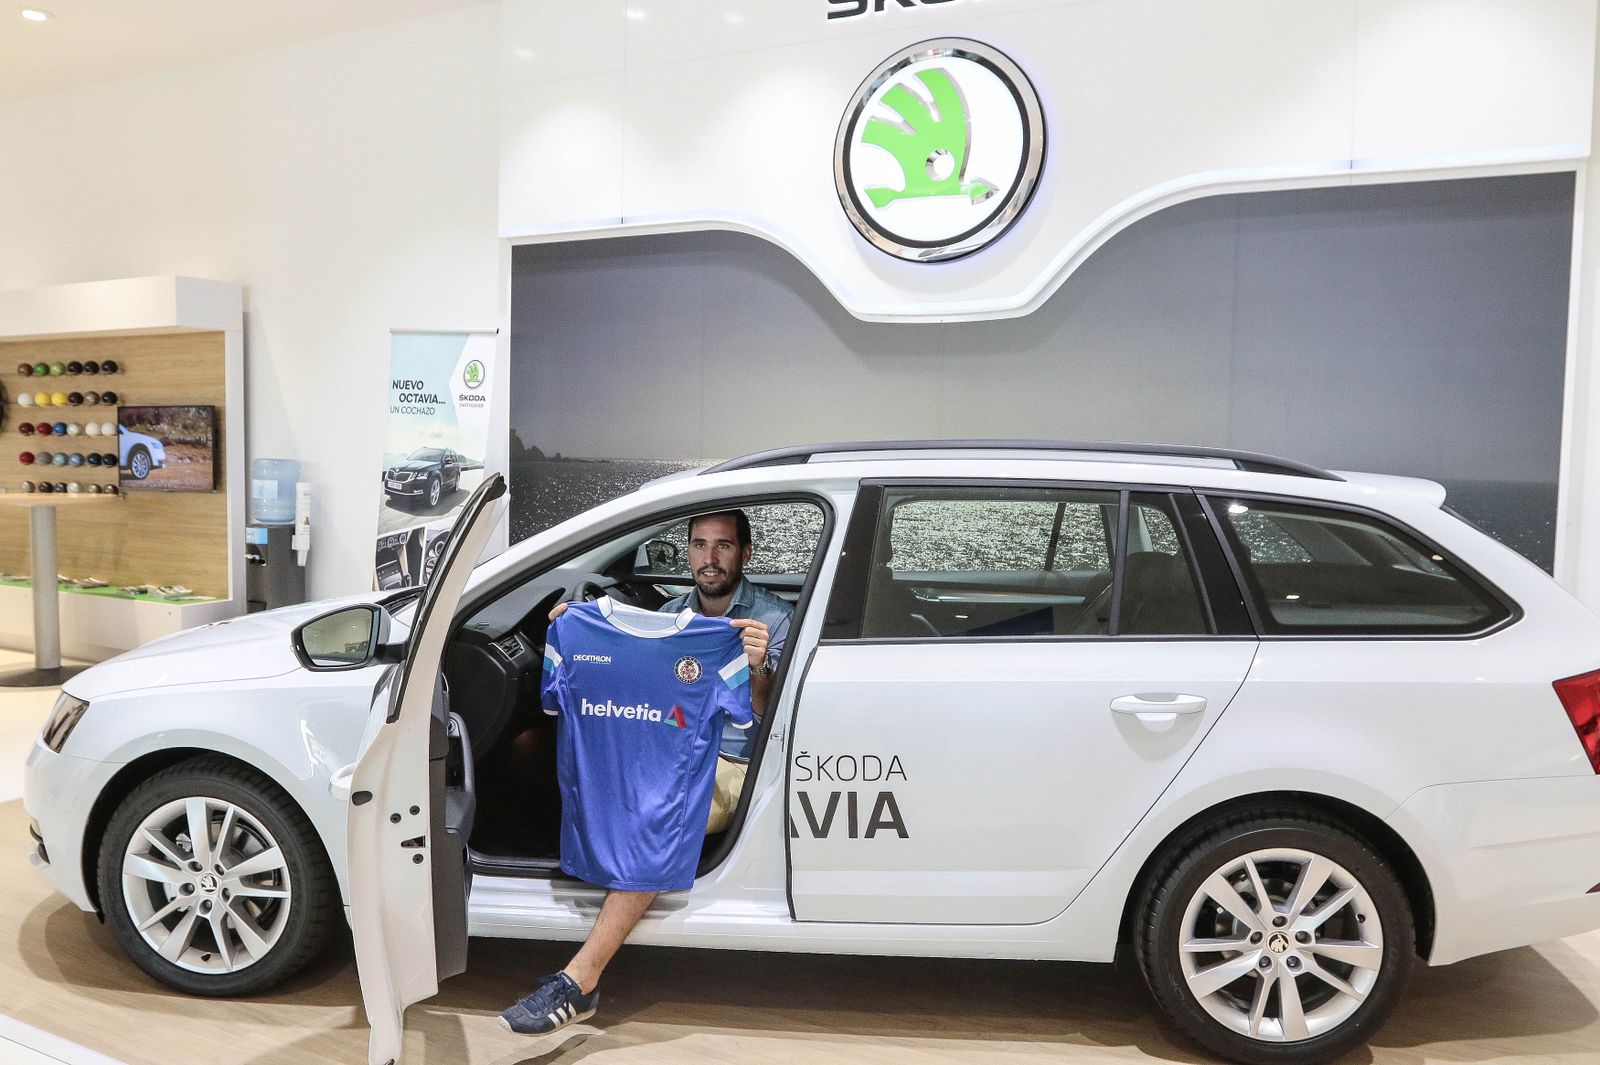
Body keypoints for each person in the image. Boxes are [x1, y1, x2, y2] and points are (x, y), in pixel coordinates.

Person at [500, 509, 792, 1036]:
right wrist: (573, 628)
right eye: (699, 545)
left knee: (655, 817)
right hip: (663, 749)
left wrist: (759, 666)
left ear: (745, 554)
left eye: (723, 546)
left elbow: (767, 713)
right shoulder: (673, 614)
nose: (709, 558)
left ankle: (580, 979)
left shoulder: (772, 620)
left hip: (734, 763)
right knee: (548, 760)